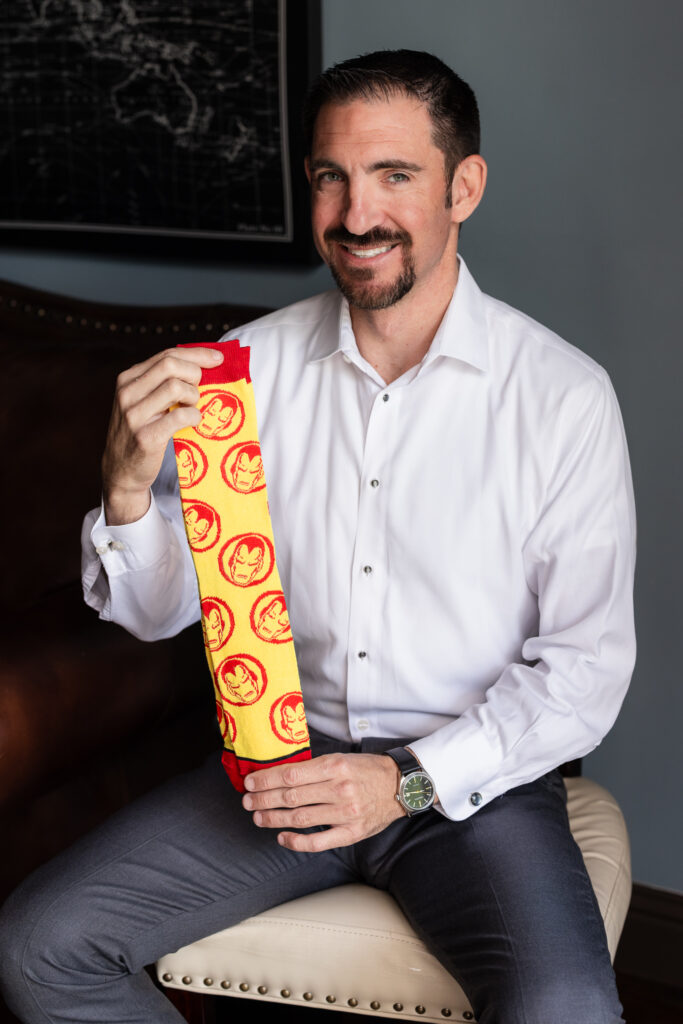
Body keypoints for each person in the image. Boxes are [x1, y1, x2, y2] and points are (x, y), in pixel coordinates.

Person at [0, 50, 635, 1023]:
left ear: (462, 186)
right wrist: (126, 488)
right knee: (40, 947)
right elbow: (164, 610)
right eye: (329, 176)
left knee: (564, 1005)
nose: (353, 214)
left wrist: (405, 783)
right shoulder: (239, 370)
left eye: (393, 175)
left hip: (470, 782)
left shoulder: (561, 399)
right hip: (280, 764)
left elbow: (584, 669)